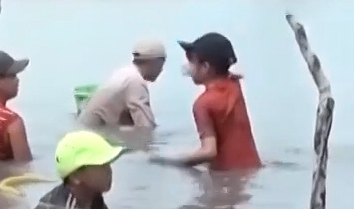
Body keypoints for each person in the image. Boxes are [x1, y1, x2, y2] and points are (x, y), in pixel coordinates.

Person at [160, 32, 260, 171]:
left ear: (205, 67)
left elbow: (208, 151)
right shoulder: (235, 85)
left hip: (228, 177)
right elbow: (229, 75)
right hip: (253, 170)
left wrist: (171, 162)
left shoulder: (203, 104)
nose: (187, 66)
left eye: (191, 61)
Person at [33, 130, 126, 209]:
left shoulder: (94, 197)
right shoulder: (67, 208)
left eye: (108, 164)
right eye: (102, 165)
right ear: (75, 177)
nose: (109, 171)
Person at [78, 39, 166, 129]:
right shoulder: (135, 82)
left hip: (84, 129)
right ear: (155, 62)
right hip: (94, 135)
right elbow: (146, 127)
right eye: (162, 64)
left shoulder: (123, 73)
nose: (162, 70)